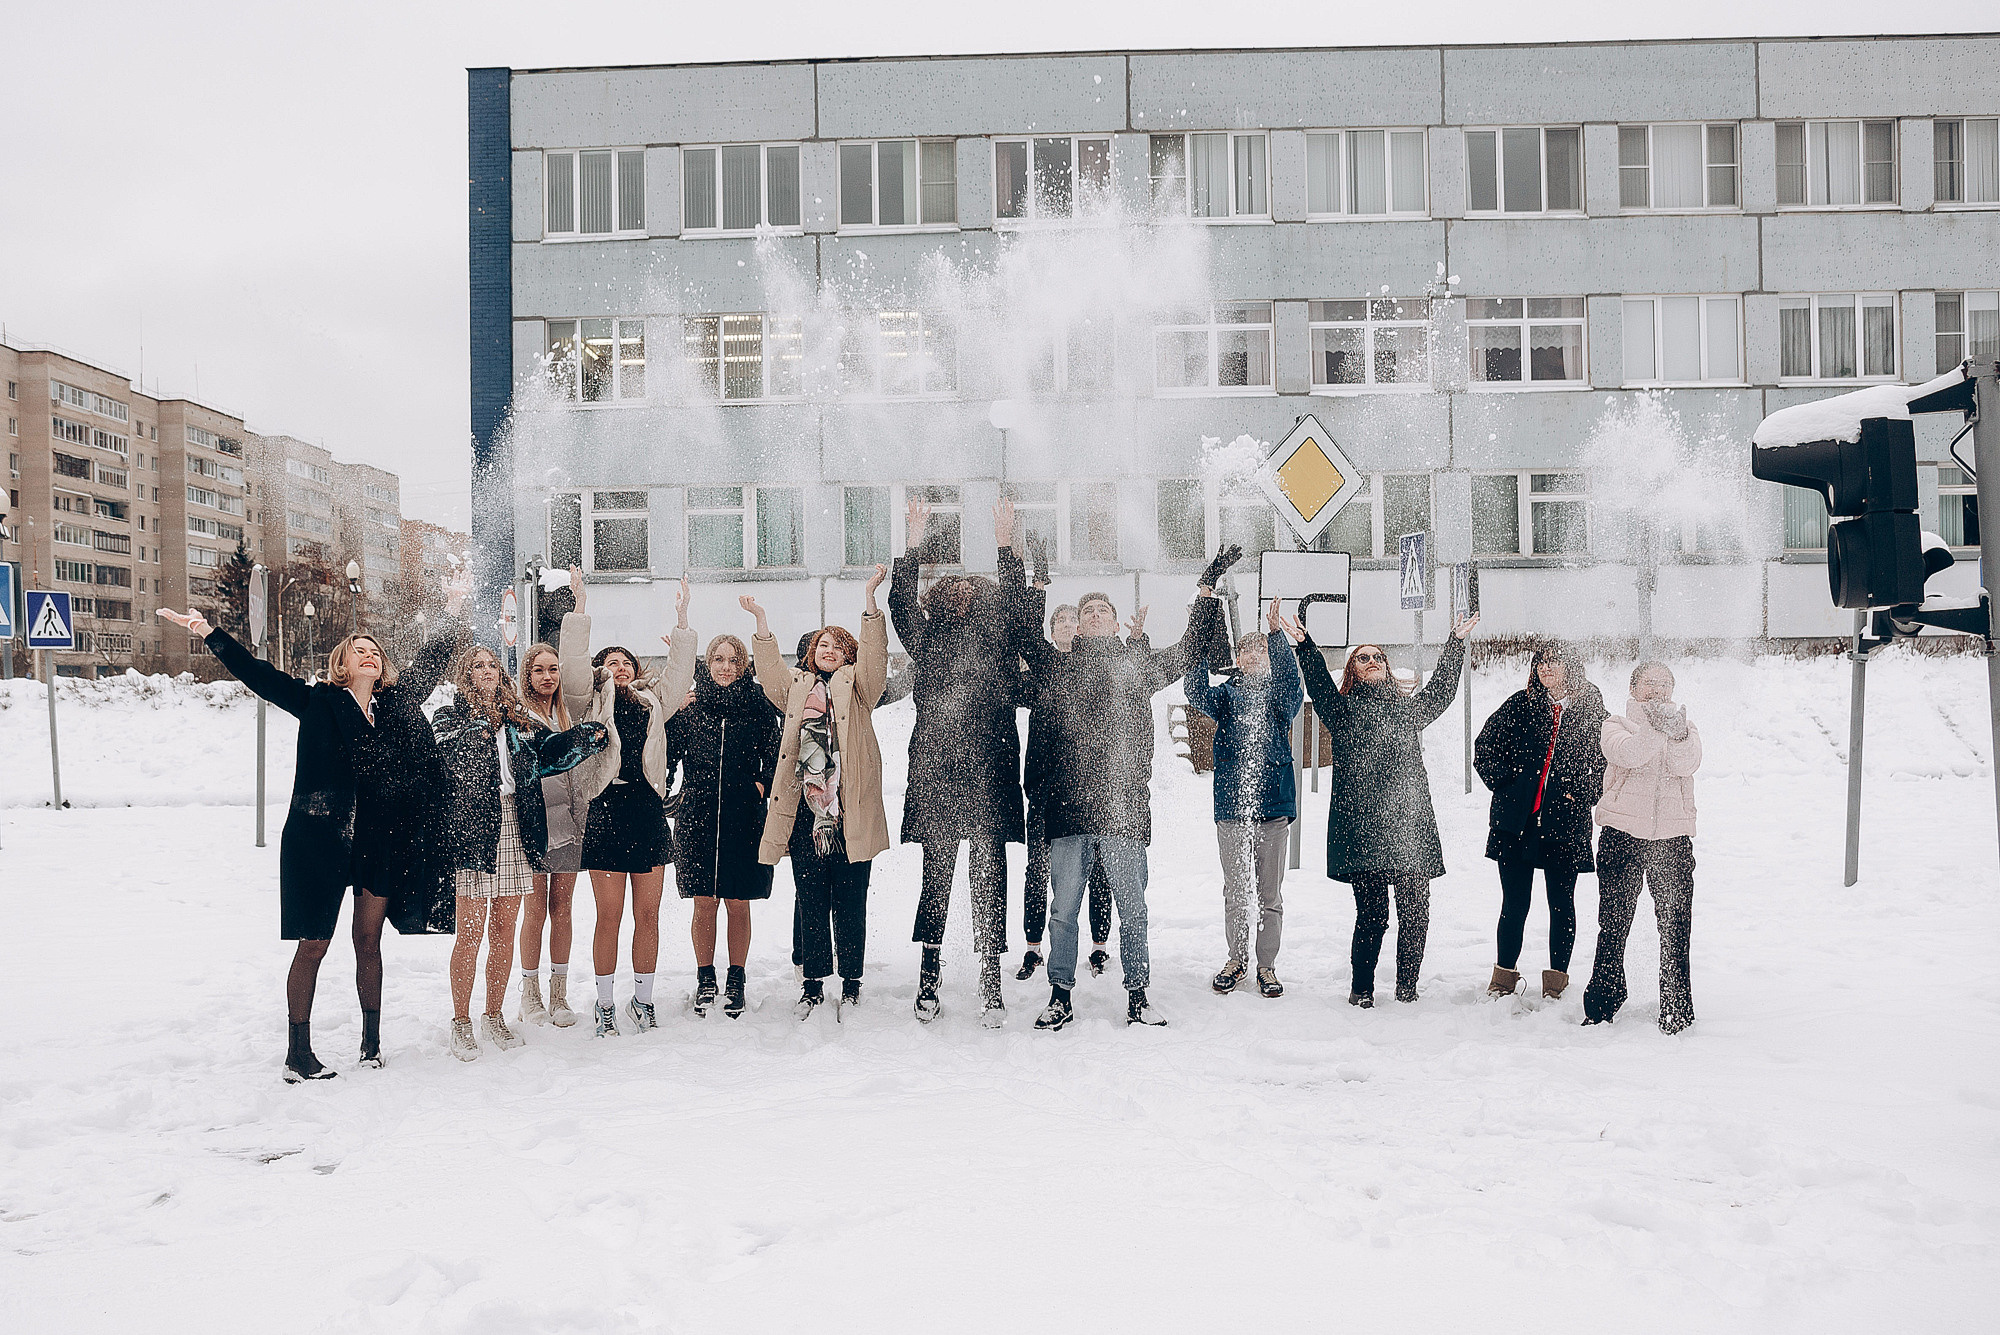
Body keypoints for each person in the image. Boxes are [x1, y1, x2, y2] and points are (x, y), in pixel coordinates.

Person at [158, 571, 468, 1082]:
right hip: (319, 839)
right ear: (341, 664)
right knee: (315, 943)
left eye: (375, 651)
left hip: (373, 842)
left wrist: (453, 613)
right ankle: (297, 1052)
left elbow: (431, 664)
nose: (369, 655)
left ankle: (371, 1043)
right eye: (359, 650)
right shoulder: (317, 702)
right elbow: (260, 675)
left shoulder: (393, 709)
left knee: (368, 941)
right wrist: (211, 634)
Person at [1014, 584, 1194, 1030]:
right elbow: (1024, 634)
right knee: (1063, 911)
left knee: (1133, 909)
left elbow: (1191, 649)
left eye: (1103, 610)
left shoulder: (1136, 666)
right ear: (1078, 623)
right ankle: (1060, 995)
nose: (1094, 614)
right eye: (1087, 609)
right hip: (1069, 811)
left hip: (1122, 810)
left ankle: (1138, 995)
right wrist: (1034, 583)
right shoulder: (1060, 668)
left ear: (1117, 623)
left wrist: (1207, 589)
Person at [1286, 615, 1477, 1006]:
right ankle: (1362, 989)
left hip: (1408, 823)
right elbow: (1320, 684)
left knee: (1415, 912)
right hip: (1364, 829)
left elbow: (1441, 692)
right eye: (1363, 657)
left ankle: (1408, 987)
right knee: (1372, 916)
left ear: (1388, 668)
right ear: (1354, 671)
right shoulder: (1341, 711)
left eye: (1378, 657)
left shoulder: (1408, 710)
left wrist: (1455, 642)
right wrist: (1306, 645)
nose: (1372, 660)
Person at [891, 496, 1029, 1025]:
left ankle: (990, 976)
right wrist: (914, 542)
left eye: (973, 587)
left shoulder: (997, 640)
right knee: (937, 876)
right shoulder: (925, 642)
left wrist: (1004, 543)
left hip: (991, 770)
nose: (962, 590)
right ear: (938, 599)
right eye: (952, 586)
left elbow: (1017, 605)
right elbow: (901, 603)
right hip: (938, 770)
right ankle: (929, 971)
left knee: (990, 874)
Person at [744, 567, 891, 1019]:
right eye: (822, 645)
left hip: (849, 810)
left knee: (851, 896)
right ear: (812, 652)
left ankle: (851, 980)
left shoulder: (859, 687)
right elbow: (769, 675)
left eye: (838, 646)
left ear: (847, 655)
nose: (829, 651)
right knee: (810, 897)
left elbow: (874, 660)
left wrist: (869, 600)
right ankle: (812, 981)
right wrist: (762, 624)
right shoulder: (797, 687)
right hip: (808, 811)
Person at [567, 577, 698, 1037]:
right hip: (606, 812)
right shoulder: (588, 699)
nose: (618, 667)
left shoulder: (652, 701)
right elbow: (574, 669)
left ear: (636, 669)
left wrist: (682, 622)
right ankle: (605, 1005)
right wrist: (581, 607)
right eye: (610, 662)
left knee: (649, 915)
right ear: (601, 669)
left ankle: (643, 1000)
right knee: (609, 916)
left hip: (647, 814)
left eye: (625, 662)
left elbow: (679, 676)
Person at [432, 644, 552, 1060]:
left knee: (504, 929)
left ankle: (494, 1014)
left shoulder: (518, 720)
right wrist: (482, 722)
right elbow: (451, 755)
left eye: (491, 665)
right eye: (477, 665)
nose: (486, 670)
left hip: (514, 822)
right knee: (470, 932)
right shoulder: (451, 717)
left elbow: (546, 756)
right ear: (466, 674)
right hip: (474, 828)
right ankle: (460, 1022)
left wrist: (585, 739)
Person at [512, 565, 616, 1030]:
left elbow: (577, 659)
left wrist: (579, 607)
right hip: (534, 824)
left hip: (572, 821)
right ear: (526, 674)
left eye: (553, 668)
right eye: (539, 669)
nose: (549, 675)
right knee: (535, 908)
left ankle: (559, 994)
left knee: (564, 907)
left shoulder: (569, 710)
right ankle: (529, 991)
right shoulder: (516, 716)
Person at [1475, 642, 1608, 1001]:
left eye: (1554, 661)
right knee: (1514, 903)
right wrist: (1509, 784)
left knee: (1561, 903)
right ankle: (1502, 979)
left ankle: (1556, 984)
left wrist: (1580, 791)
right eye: (1540, 662)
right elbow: (1484, 748)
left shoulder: (1591, 710)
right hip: (1515, 822)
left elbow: (1605, 765)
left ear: (1572, 666)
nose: (1545, 668)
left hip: (1564, 824)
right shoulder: (1521, 704)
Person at [1185, 595, 1303, 999]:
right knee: (1236, 891)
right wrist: (1199, 646)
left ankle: (1266, 966)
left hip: (1273, 810)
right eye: (1246, 649)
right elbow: (1195, 689)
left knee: (1269, 894)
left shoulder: (1279, 698)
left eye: (1260, 649)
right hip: (1232, 809)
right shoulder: (1226, 696)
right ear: (1237, 657)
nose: (1253, 655)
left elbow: (1293, 682)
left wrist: (1276, 635)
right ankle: (1236, 960)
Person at [666, 631, 781, 1019]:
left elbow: (775, 751)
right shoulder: (693, 707)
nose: (726, 667)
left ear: (744, 665)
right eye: (719, 659)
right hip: (697, 814)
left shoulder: (759, 705)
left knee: (737, 901)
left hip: (743, 815)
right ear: (709, 663)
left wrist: (760, 785)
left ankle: (736, 978)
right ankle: (705, 977)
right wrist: (672, 710)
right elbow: (667, 753)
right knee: (703, 902)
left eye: (734, 661)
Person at [1584, 662, 1702, 1033]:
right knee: (1614, 924)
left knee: (1675, 927)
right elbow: (1631, 754)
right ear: (1633, 689)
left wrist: (1678, 733)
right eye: (1649, 684)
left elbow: (1689, 763)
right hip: (1623, 838)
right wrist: (1656, 727)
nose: (1657, 690)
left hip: (1673, 840)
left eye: (1665, 684)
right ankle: (1603, 1002)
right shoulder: (1616, 725)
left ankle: (1677, 1009)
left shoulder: (1686, 728)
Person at [1014, 599, 1116, 982]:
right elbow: (1014, 684)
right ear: (1054, 629)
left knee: (1097, 873)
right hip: (1045, 791)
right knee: (1038, 872)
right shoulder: (1044, 668)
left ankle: (1100, 946)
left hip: (1091, 793)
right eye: (1062, 620)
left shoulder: (1091, 667)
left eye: (1075, 619)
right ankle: (1033, 947)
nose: (1070, 624)